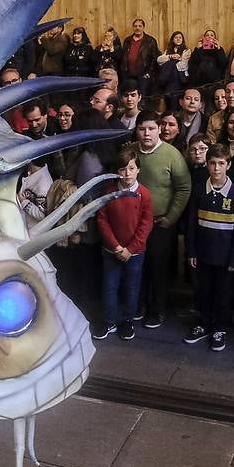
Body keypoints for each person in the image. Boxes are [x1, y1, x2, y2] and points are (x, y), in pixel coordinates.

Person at [184, 144, 234, 352]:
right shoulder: (200, 189)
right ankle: (203, 323)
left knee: (223, 293)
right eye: (212, 163)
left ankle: (219, 328)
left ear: (228, 165)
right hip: (202, 253)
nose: (216, 168)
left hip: (225, 256)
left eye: (221, 163)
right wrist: (191, 250)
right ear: (207, 165)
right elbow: (191, 221)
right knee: (203, 291)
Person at [133, 111, 191, 329]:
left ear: (159, 130)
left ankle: (157, 311)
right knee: (138, 266)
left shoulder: (172, 154)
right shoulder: (131, 152)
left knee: (158, 268)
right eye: (142, 129)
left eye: (151, 129)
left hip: (161, 223)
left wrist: (171, 217)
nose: (146, 133)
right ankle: (137, 305)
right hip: (135, 222)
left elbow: (184, 188)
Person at [93, 143, 153, 340]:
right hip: (112, 250)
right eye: (122, 169)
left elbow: (146, 225)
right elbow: (102, 220)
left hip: (135, 253)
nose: (127, 173)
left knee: (131, 286)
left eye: (131, 168)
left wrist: (131, 248)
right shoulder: (109, 192)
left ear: (138, 170)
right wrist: (116, 246)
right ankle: (109, 320)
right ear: (116, 171)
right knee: (109, 286)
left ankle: (127, 320)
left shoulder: (144, 194)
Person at [118, 19, 160, 94]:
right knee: (129, 96)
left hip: (143, 75)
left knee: (142, 97)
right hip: (129, 75)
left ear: (143, 27)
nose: (137, 28)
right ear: (133, 27)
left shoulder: (150, 41)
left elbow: (154, 58)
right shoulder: (127, 40)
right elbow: (123, 56)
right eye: (135, 26)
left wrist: (148, 73)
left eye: (140, 26)